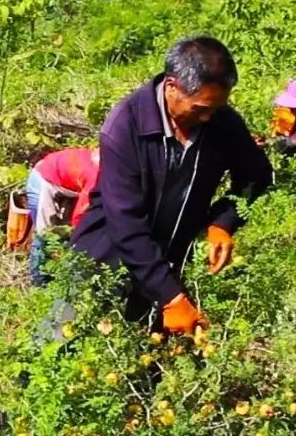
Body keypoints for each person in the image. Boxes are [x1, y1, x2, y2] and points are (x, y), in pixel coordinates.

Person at [71, 36, 273, 335]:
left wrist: (223, 222)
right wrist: (171, 296)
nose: (207, 116)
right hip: (105, 255)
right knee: (67, 342)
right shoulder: (125, 125)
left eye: (216, 107)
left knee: (148, 359)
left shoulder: (221, 121)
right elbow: (125, 223)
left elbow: (257, 174)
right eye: (200, 107)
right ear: (171, 86)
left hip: (169, 261)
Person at [24, 147, 99, 286]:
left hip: (67, 187)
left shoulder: (106, 160)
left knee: (62, 233)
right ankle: (39, 284)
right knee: (46, 235)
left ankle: (58, 274)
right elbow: (80, 214)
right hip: (43, 180)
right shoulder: (96, 175)